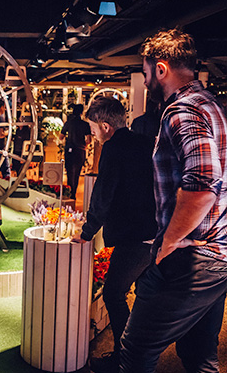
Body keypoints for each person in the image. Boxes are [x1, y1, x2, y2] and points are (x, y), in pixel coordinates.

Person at [119, 29, 227, 373]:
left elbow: (203, 181)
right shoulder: (211, 105)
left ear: (161, 68)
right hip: (218, 256)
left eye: (146, 69)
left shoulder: (183, 111)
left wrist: (170, 240)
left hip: (191, 259)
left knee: (135, 349)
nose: (145, 76)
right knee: (199, 358)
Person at [71, 97, 157, 373]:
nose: (92, 134)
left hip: (134, 237)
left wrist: (86, 233)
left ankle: (125, 359)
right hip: (156, 234)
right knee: (144, 296)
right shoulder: (145, 142)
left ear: (106, 126)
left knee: (113, 294)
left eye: (93, 128)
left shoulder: (112, 149)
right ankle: (141, 358)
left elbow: (103, 195)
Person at [59, 104, 91, 200]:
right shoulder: (85, 124)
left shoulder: (69, 123)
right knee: (77, 173)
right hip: (80, 150)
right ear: (81, 113)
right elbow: (89, 140)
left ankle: (69, 192)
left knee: (69, 172)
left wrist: (67, 141)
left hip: (69, 149)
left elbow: (61, 137)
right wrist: (84, 145)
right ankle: (74, 193)